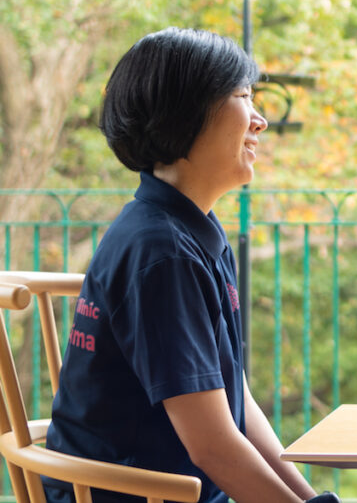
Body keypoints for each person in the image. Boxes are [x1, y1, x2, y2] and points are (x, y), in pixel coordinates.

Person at [44, 28, 337, 503]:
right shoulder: (162, 253)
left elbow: (233, 403)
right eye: (244, 97)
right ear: (185, 112)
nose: (260, 121)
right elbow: (214, 448)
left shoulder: (190, 230)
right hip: (135, 495)